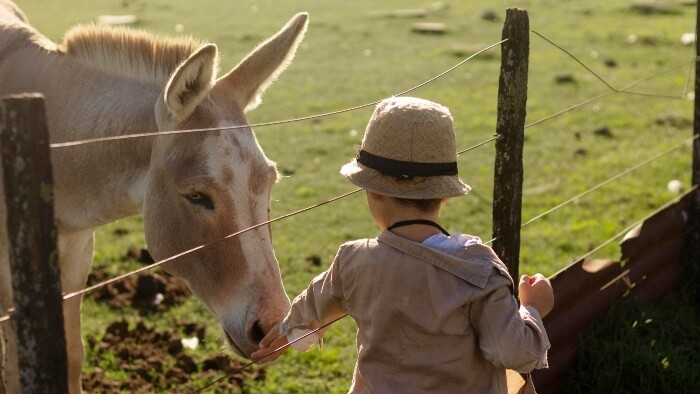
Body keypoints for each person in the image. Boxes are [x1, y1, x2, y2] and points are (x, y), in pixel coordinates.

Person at [251, 96, 554, 393]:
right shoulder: (477, 270)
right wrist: (532, 308)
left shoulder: (353, 261)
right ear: (445, 194)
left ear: (371, 191)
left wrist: (284, 333)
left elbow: (314, 304)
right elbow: (512, 352)